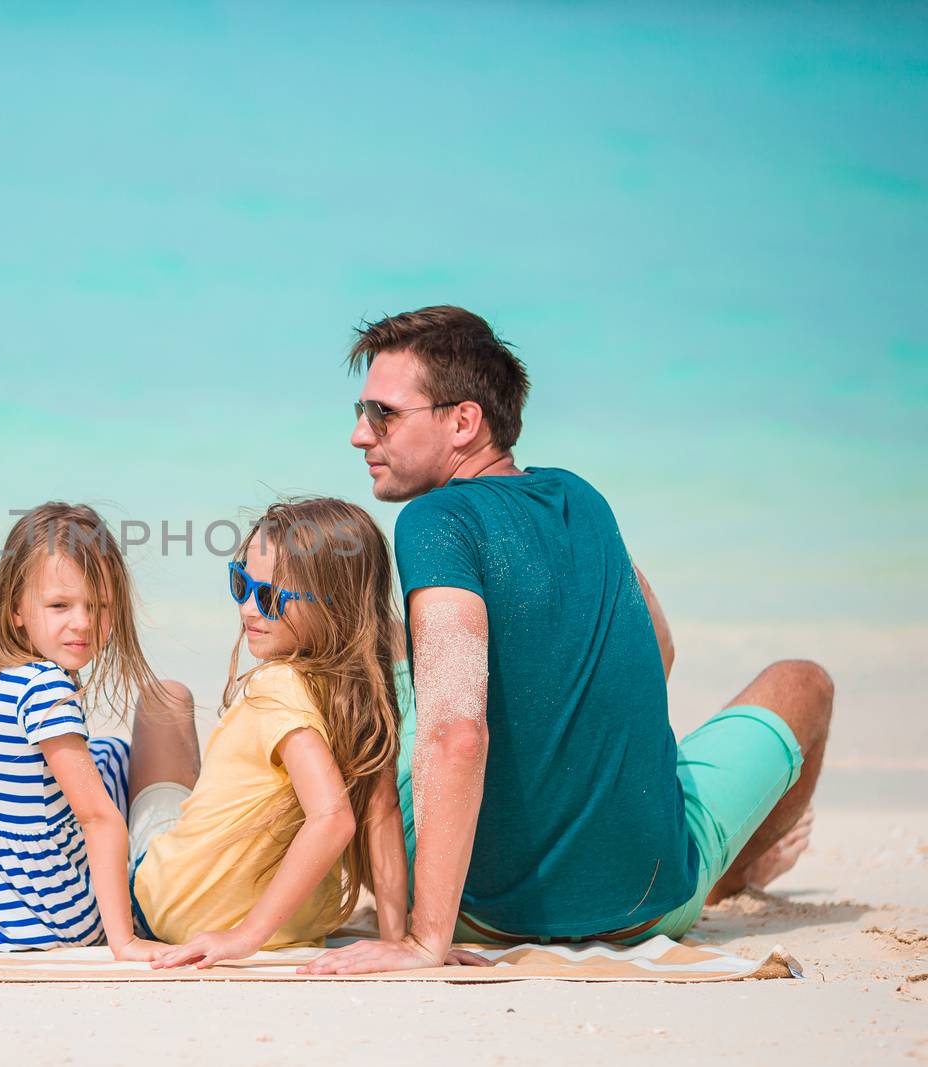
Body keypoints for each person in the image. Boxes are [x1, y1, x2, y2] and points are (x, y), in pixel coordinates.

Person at [306, 305, 833, 974]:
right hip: (658, 902)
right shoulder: (582, 498)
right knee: (804, 681)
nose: (360, 435)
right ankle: (731, 877)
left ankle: (434, 912)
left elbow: (456, 731)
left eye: (383, 414)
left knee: (364, 646)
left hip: (484, 912)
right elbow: (658, 647)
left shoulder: (433, 519)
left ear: (463, 421)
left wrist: (424, 941)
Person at [132, 499, 413, 968]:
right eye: (241, 583)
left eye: (269, 598)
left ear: (334, 607)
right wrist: (397, 939)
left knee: (165, 701)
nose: (247, 608)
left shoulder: (274, 683)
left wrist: (244, 938)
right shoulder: (367, 695)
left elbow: (334, 819)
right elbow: (379, 810)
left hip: (173, 908)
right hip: (296, 926)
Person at [0, 503, 170, 959]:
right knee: (119, 759)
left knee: (102, 754)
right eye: (60, 605)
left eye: (99, 607)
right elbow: (98, 819)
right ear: (17, 609)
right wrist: (122, 942)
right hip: (52, 915)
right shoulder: (45, 689)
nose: (82, 622)